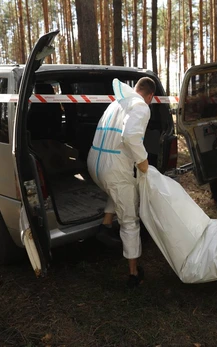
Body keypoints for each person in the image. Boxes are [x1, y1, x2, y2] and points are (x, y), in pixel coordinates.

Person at [87, 77, 156, 288]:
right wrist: (143, 162)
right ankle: (134, 274)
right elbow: (131, 137)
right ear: (150, 96)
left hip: (94, 165)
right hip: (113, 168)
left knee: (118, 188)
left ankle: (106, 224)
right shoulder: (142, 107)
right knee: (130, 220)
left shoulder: (115, 103)